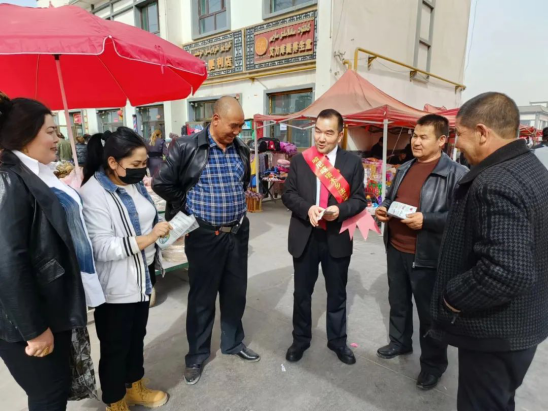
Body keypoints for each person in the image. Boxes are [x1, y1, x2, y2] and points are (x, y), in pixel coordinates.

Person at [430, 93, 548, 411]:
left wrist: (452, 296)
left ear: (482, 132)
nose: (456, 143)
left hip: (496, 333)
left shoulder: (494, 181)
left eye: (459, 134)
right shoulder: (532, 167)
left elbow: (507, 270)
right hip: (524, 325)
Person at [0, 93, 103, 411]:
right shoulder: (9, 180)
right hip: (26, 321)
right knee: (49, 394)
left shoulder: (37, 173)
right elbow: (8, 262)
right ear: (26, 134)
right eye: (50, 131)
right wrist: (34, 330)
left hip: (48, 305)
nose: (57, 138)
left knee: (55, 389)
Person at [153, 96, 260, 386]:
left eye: (240, 126)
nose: (237, 131)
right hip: (204, 235)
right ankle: (197, 356)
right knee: (202, 298)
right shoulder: (187, 146)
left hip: (236, 233)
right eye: (233, 125)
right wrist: (188, 207)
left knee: (235, 293)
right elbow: (162, 183)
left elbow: (241, 183)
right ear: (215, 119)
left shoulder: (240, 148)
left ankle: (233, 342)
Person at [80, 127, 172, 411]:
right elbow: (100, 247)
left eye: (144, 163)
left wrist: (161, 230)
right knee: (115, 346)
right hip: (115, 286)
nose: (142, 170)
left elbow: (144, 218)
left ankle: (135, 388)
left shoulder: (133, 183)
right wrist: (149, 237)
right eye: (136, 164)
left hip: (143, 276)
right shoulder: (93, 194)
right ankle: (115, 400)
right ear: (113, 162)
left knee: (136, 338)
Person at [375, 115, 468, 391]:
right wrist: (384, 208)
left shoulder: (456, 174)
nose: (416, 141)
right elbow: (391, 198)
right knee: (398, 301)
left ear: (442, 140)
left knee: (430, 315)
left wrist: (428, 220)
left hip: (428, 256)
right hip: (396, 248)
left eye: (423, 137)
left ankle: (432, 365)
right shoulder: (405, 167)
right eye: (414, 136)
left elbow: (462, 217)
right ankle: (399, 342)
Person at [282, 109, 367, 365]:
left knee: (337, 293)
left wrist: (339, 210)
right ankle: (300, 339)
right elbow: (288, 194)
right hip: (305, 237)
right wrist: (307, 208)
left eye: (328, 133)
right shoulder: (300, 160)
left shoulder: (352, 163)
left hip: (336, 237)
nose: (321, 138)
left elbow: (359, 200)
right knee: (302, 293)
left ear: (340, 135)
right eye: (317, 131)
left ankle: (337, 341)